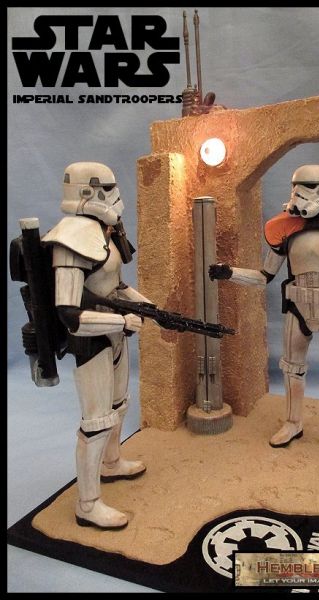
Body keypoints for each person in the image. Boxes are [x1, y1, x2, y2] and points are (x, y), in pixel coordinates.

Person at [209, 164, 319, 460]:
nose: (299, 194)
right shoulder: (286, 228)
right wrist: (230, 273)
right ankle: (293, 423)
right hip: (297, 307)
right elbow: (264, 276)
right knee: (291, 370)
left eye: (308, 187)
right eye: (296, 187)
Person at [42, 162, 151, 529]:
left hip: (116, 331)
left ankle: (112, 462)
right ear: (87, 192)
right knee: (96, 422)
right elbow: (69, 314)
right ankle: (87, 504)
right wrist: (122, 320)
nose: (115, 196)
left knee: (119, 406)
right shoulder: (70, 239)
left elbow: (116, 286)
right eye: (107, 188)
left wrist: (145, 306)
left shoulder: (106, 231)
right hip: (90, 341)